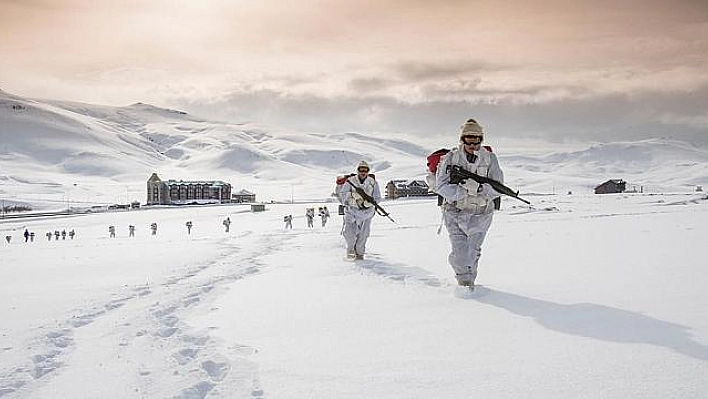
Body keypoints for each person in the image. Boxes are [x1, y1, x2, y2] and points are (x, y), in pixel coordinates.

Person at [435, 118, 503, 289]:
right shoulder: (451, 158)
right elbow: (441, 185)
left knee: (473, 252)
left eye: (476, 140)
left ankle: (469, 282)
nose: (473, 144)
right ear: (462, 139)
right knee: (460, 253)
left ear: (481, 139)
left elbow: (498, 187)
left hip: (481, 213)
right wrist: (464, 190)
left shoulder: (490, 159)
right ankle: (464, 282)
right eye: (469, 139)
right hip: (455, 211)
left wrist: (478, 189)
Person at [336, 160, 382, 260]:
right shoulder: (350, 181)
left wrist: (368, 203)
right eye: (361, 170)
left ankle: (360, 254)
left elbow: (378, 197)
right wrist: (354, 199)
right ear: (358, 170)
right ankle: (351, 250)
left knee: (363, 235)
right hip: (351, 211)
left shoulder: (373, 182)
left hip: (367, 213)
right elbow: (343, 194)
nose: (363, 172)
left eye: (365, 170)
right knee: (349, 233)